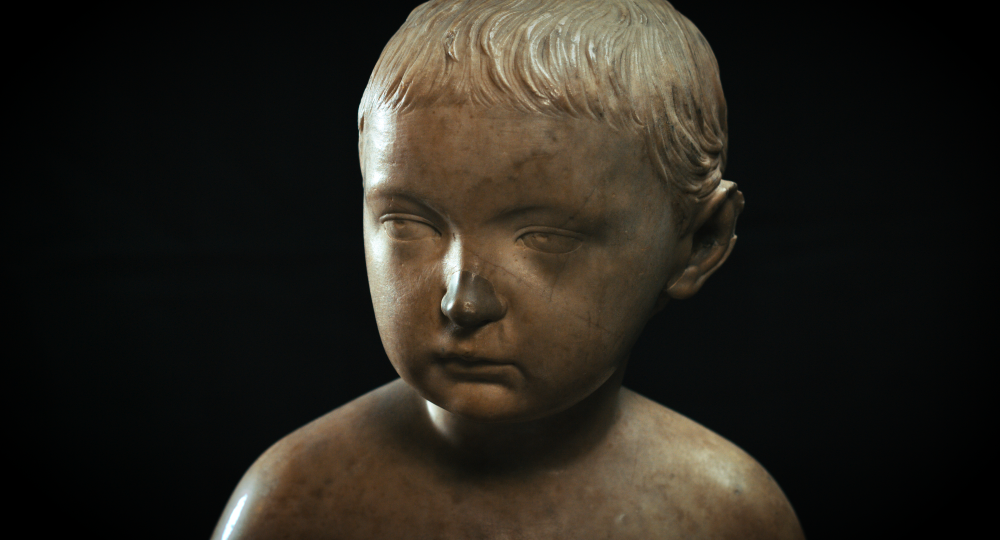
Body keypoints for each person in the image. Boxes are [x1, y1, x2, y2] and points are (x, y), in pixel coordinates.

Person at [212, 1, 804, 538]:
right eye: (410, 224)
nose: (463, 303)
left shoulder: (725, 516)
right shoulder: (291, 507)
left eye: (545, 237)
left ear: (699, 241)